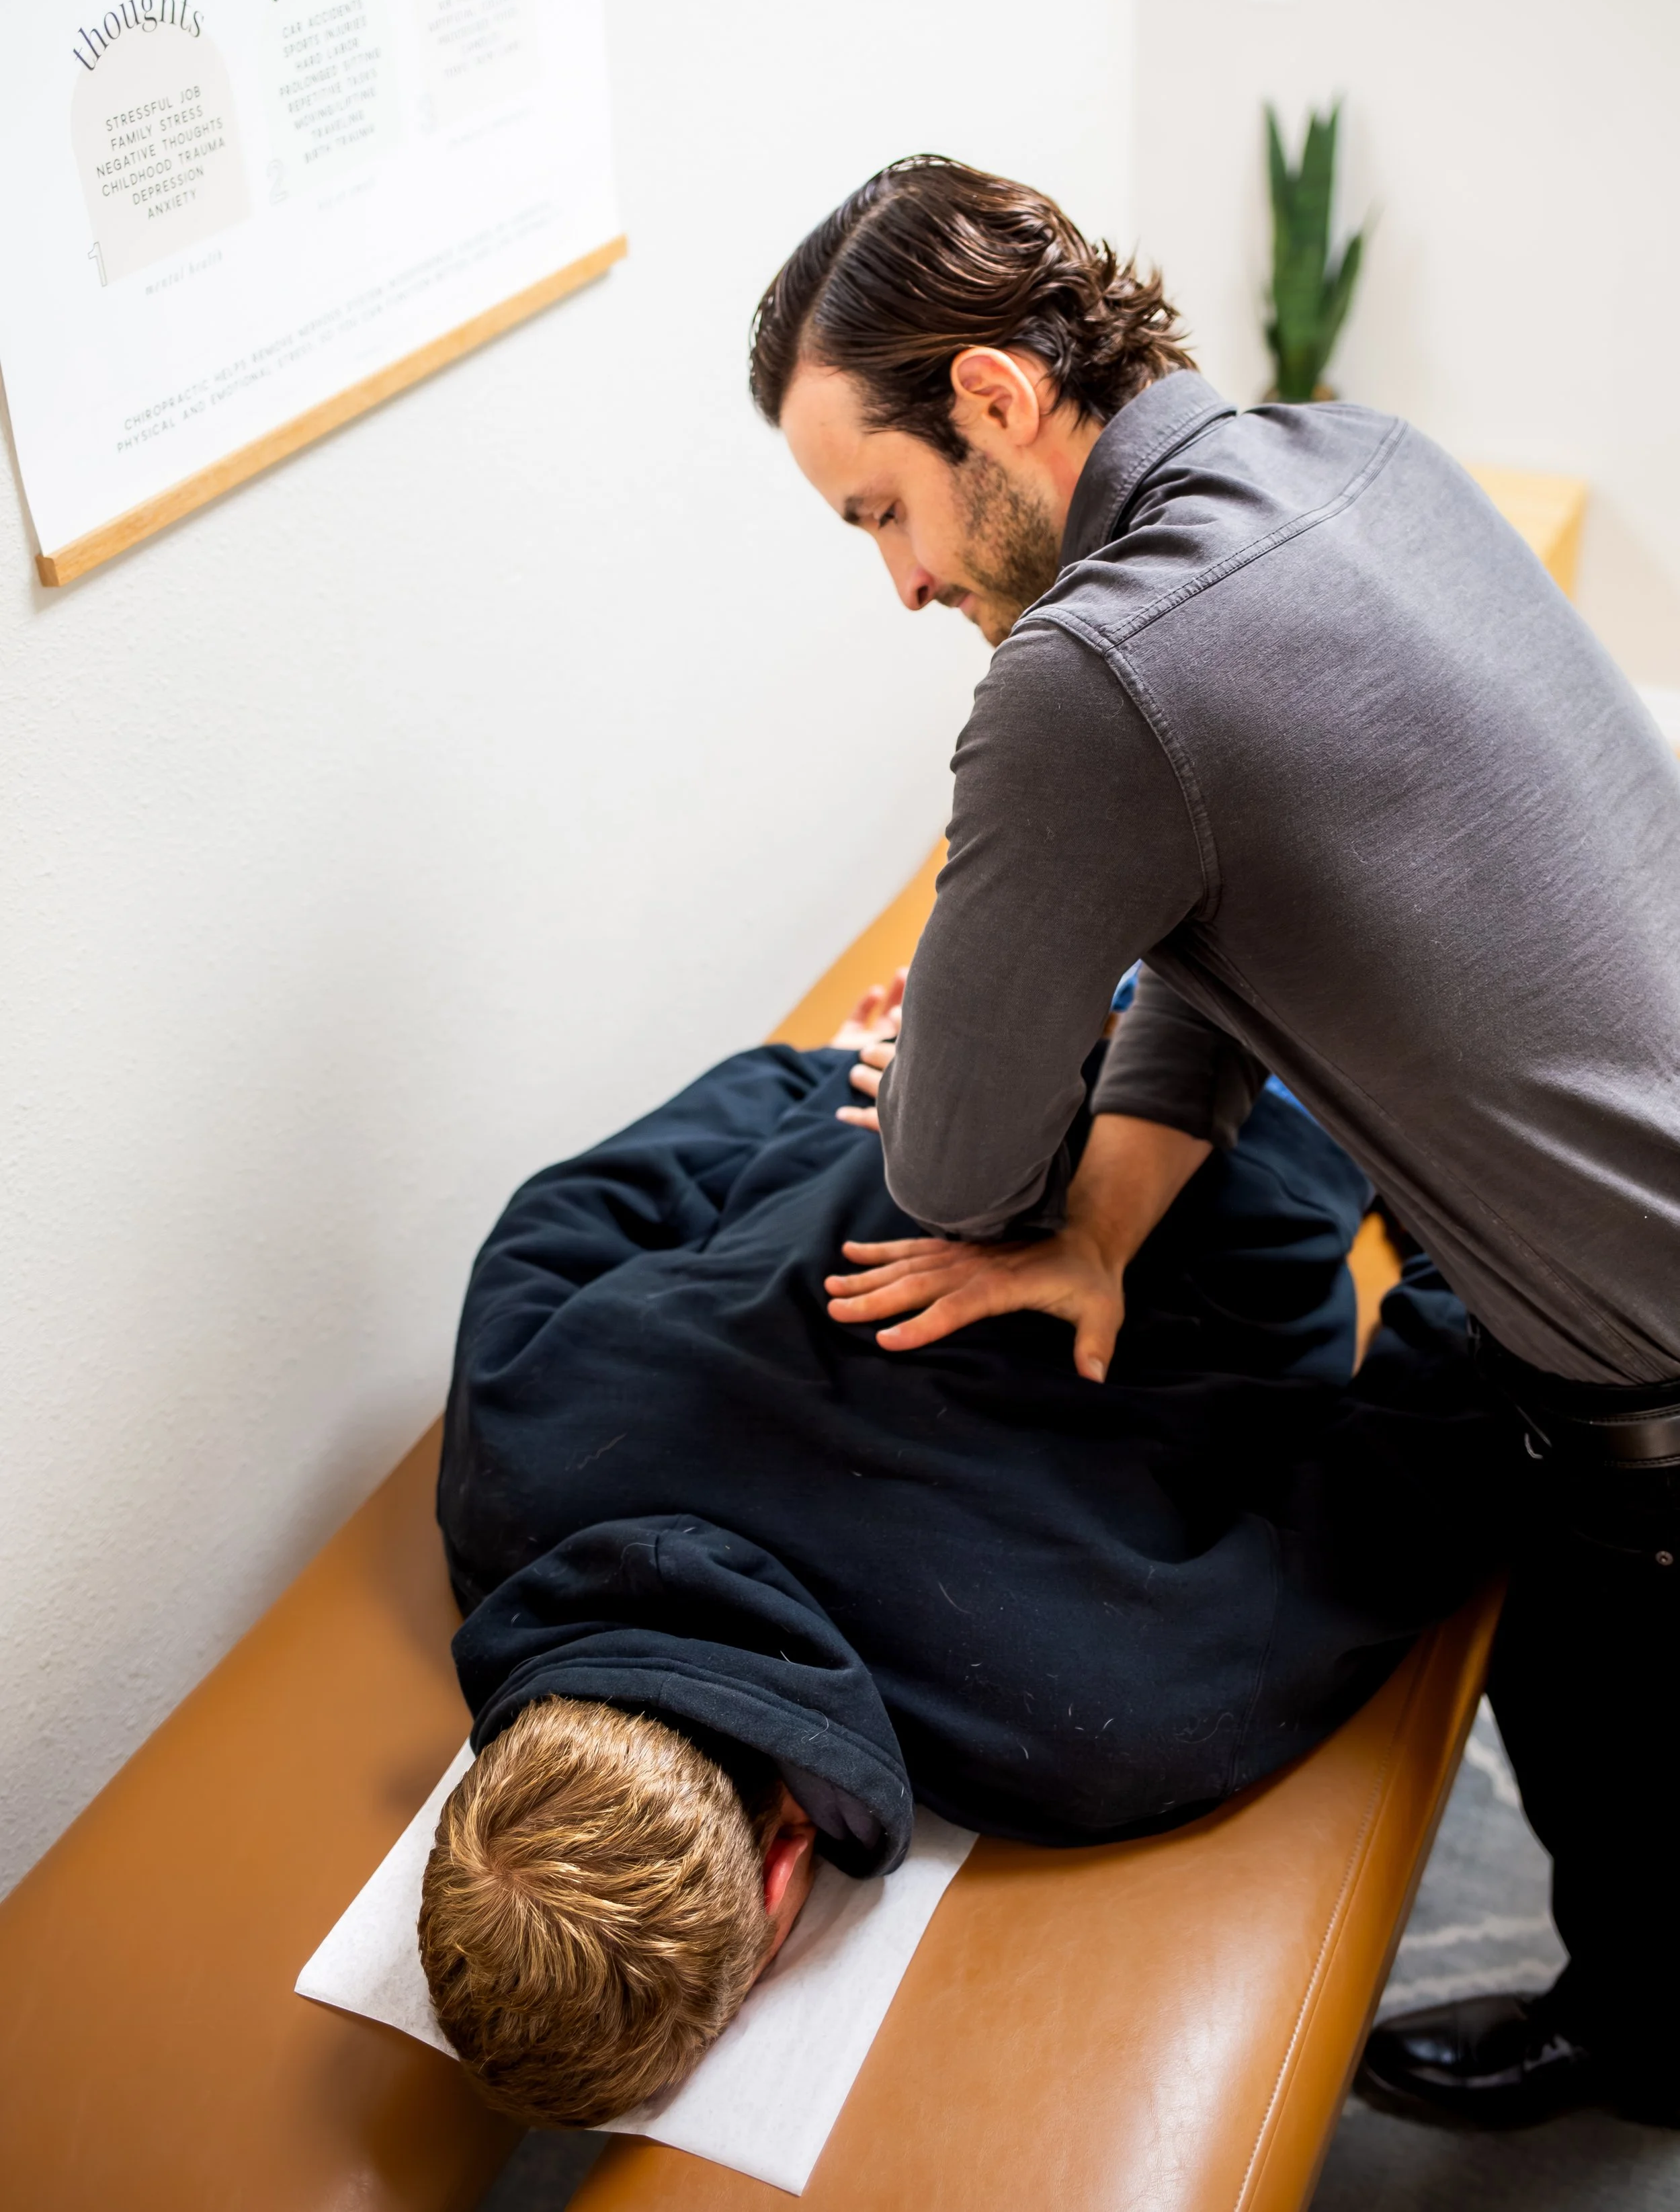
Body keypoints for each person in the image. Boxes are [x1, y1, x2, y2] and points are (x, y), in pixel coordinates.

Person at [749, 155, 1680, 2132]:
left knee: (1606, 1717)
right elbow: (1224, 910)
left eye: (883, 511)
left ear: (994, 396)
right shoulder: (1360, 455)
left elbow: (941, 1175)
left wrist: (951, 1061)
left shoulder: (1082, 674)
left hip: (1648, 1360)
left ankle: (1648, 2032)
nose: (900, 580)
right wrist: (1107, 1205)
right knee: (1588, 1707)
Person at [422, 987, 1506, 2127]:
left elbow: (1423, 1474)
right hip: (959, 1059)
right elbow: (564, 1216)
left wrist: (1466, 1206)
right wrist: (809, 1081)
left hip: (1292, 1087)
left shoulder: (1088, 1718)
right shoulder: (516, 1477)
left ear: (785, 1875)